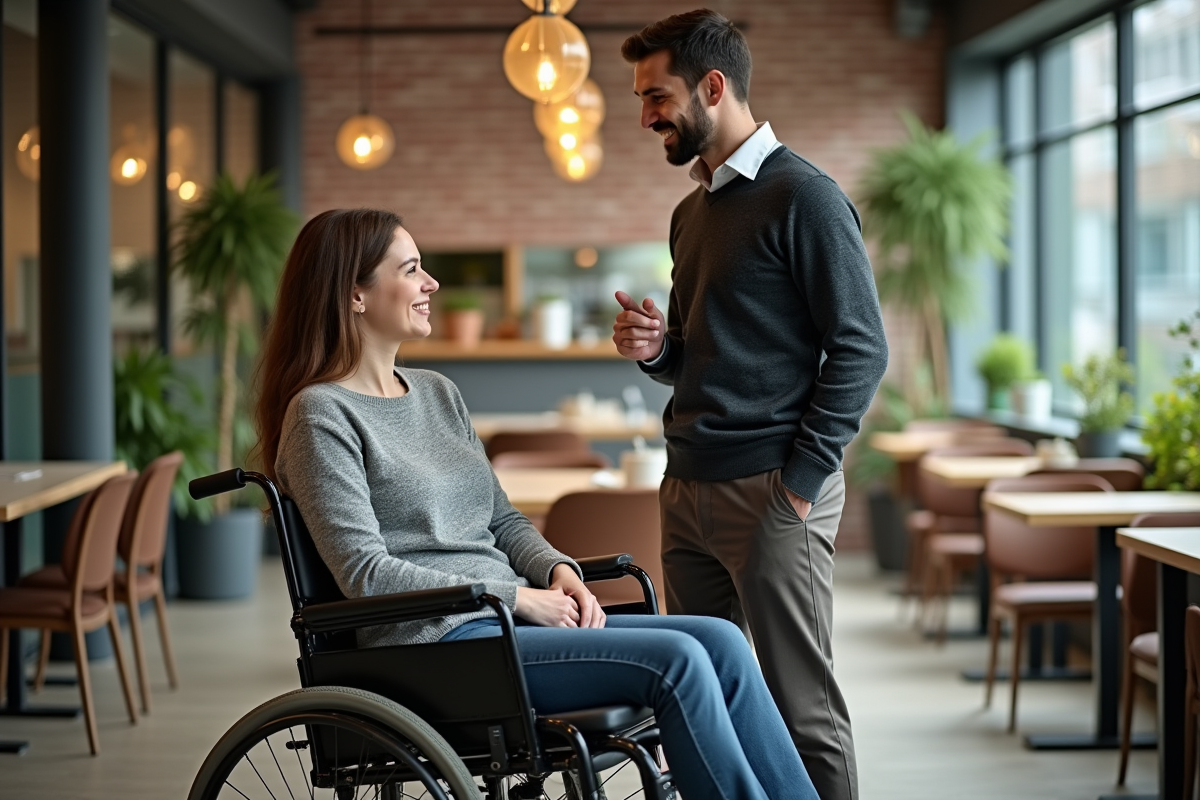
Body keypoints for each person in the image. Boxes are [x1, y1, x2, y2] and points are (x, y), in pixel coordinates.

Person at [251, 208, 820, 800]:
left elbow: (501, 519)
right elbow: (364, 573)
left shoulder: (438, 393)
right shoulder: (321, 415)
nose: (432, 285)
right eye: (412, 269)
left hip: (501, 626)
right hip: (438, 647)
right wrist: (519, 597)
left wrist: (557, 570)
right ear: (355, 296)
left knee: (723, 641)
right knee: (678, 658)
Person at [611, 11, 889, 800]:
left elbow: (862, 348)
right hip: (687, 487)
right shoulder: (690, 214)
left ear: (713, 86)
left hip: (770, 492)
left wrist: (799, 483)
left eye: (656, 97)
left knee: (802, 712)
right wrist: (656, 348)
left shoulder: (806, 196)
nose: (645, 118)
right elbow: (703, 359)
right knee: (702, 707)